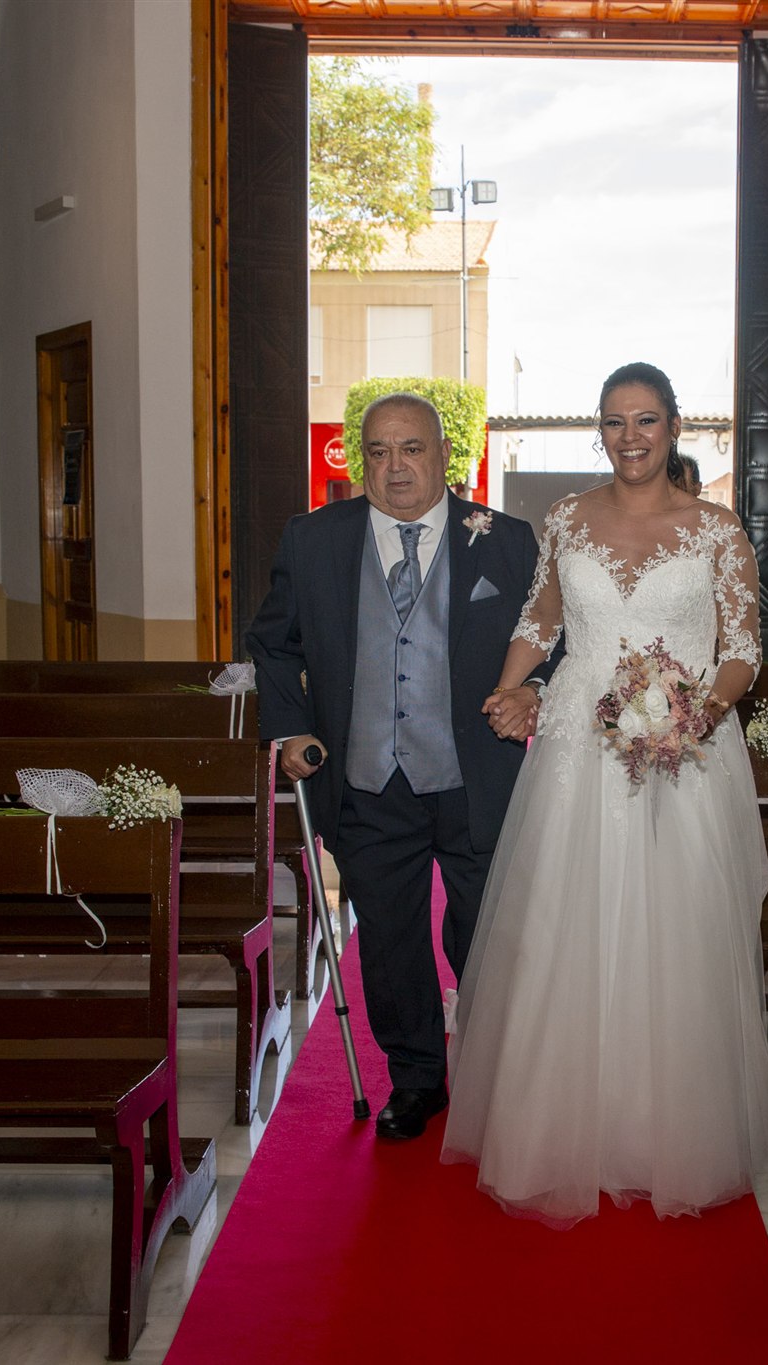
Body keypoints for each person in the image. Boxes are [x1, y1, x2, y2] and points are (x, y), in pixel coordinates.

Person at [441, 362, 768, 1225]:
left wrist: (697, 713)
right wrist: (511, 688)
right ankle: (563, 1123)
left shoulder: (716, 529)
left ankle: (666, 1128)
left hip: (685, 746)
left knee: (676, 931)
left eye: (645, 420)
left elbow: (744, 650)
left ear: (673, 426)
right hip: (578, 749)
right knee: (565, 925)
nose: (630, 437)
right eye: (614, 421)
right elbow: (541, 621)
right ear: (598, 429)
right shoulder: (567, 517)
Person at [244, 393, 545, 1140]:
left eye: (411, 449)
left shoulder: (506, 540)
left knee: (484, 930)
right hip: (367, 779)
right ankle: (416, 1079)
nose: (395, 467)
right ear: (362, 461)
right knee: (390, 939)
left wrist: (533, 689)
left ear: (444, 456)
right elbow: (273, 642)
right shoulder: (314, 539)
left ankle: (490, 1066)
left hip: (476, 776)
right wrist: (290, 727)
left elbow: (551, 637)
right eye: (378, 452)